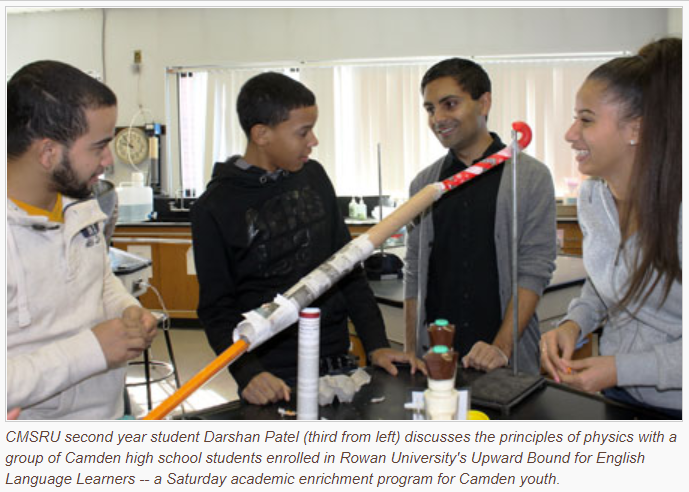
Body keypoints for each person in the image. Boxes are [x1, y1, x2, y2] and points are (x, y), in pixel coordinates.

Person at [191, 72, 423, 406]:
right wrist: (248, 374)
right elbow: (216, 310)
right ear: (262, 134)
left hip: (339, 363)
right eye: (303, 131)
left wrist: (376, 344)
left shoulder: (313, 177)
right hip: (276, 377)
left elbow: (349, 268)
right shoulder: (213, 208)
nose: (313, 140)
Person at [7, 60, 158, 419]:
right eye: (99, 146)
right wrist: (93, 350)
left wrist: (126, 309)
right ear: (48, 153)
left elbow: (98, 278)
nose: (109, 159)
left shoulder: (79, 205)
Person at [541, 38, 681, 418]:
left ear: (635, 129)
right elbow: (609, 282)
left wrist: (621, 367)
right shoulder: (593, 198)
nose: (570, 133)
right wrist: (574, 323)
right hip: (617, 397)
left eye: (586, 119)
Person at [404, 58, 557, 375]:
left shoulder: (529, 177)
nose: (438, 119)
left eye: (450, 104)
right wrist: (409, 349)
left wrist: (501, 348)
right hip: (437, 359)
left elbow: (534, 269)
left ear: (484, 102)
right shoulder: (424, 185)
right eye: (430, 109)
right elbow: (415, 270)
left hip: (503, 360)